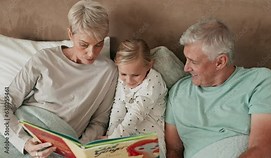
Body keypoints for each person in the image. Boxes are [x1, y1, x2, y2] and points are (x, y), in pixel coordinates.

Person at [0, 0, 118, 157]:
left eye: (99, 44)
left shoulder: (108, 72)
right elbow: (5, 101)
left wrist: (80, 148)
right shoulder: (44, 59)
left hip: (62, 145)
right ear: (70, 34)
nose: (91, 53)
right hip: (21, 132)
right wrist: (24, 142)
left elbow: (100, 122)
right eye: (84, 44)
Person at [165, 19, 271, 158]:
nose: (186, 68)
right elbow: (174, 151)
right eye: (186, 59)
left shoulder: (260, 81)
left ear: (220, 62)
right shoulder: (178, 92)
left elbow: (263, 151)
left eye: (194, 62)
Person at [103, 39, 167, 158]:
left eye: (135, 75)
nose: (129, 81)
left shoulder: (153, 81)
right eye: (123, 74)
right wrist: (110, 136)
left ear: (149, 65)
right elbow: (118, 107)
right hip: (125, 137)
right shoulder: (123, 81)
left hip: (150, 143)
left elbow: (136, 113)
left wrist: (114, 139)